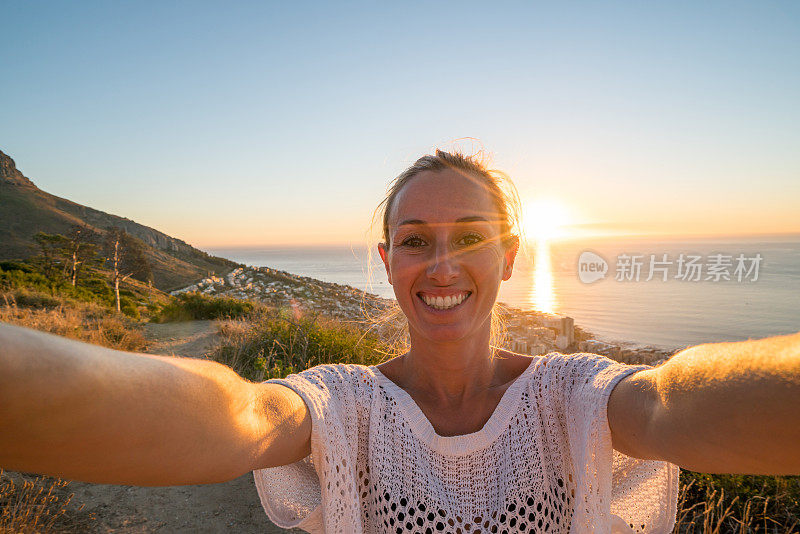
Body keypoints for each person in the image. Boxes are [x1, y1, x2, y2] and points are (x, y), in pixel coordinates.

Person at [0, 150, 798, 534]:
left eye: (469, 237)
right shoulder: (346, 406)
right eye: (415, 240)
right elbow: (240, 416)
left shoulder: (572, 397)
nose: (442, 263)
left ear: (510, 255)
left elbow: (666, 400)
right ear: (387, 262)